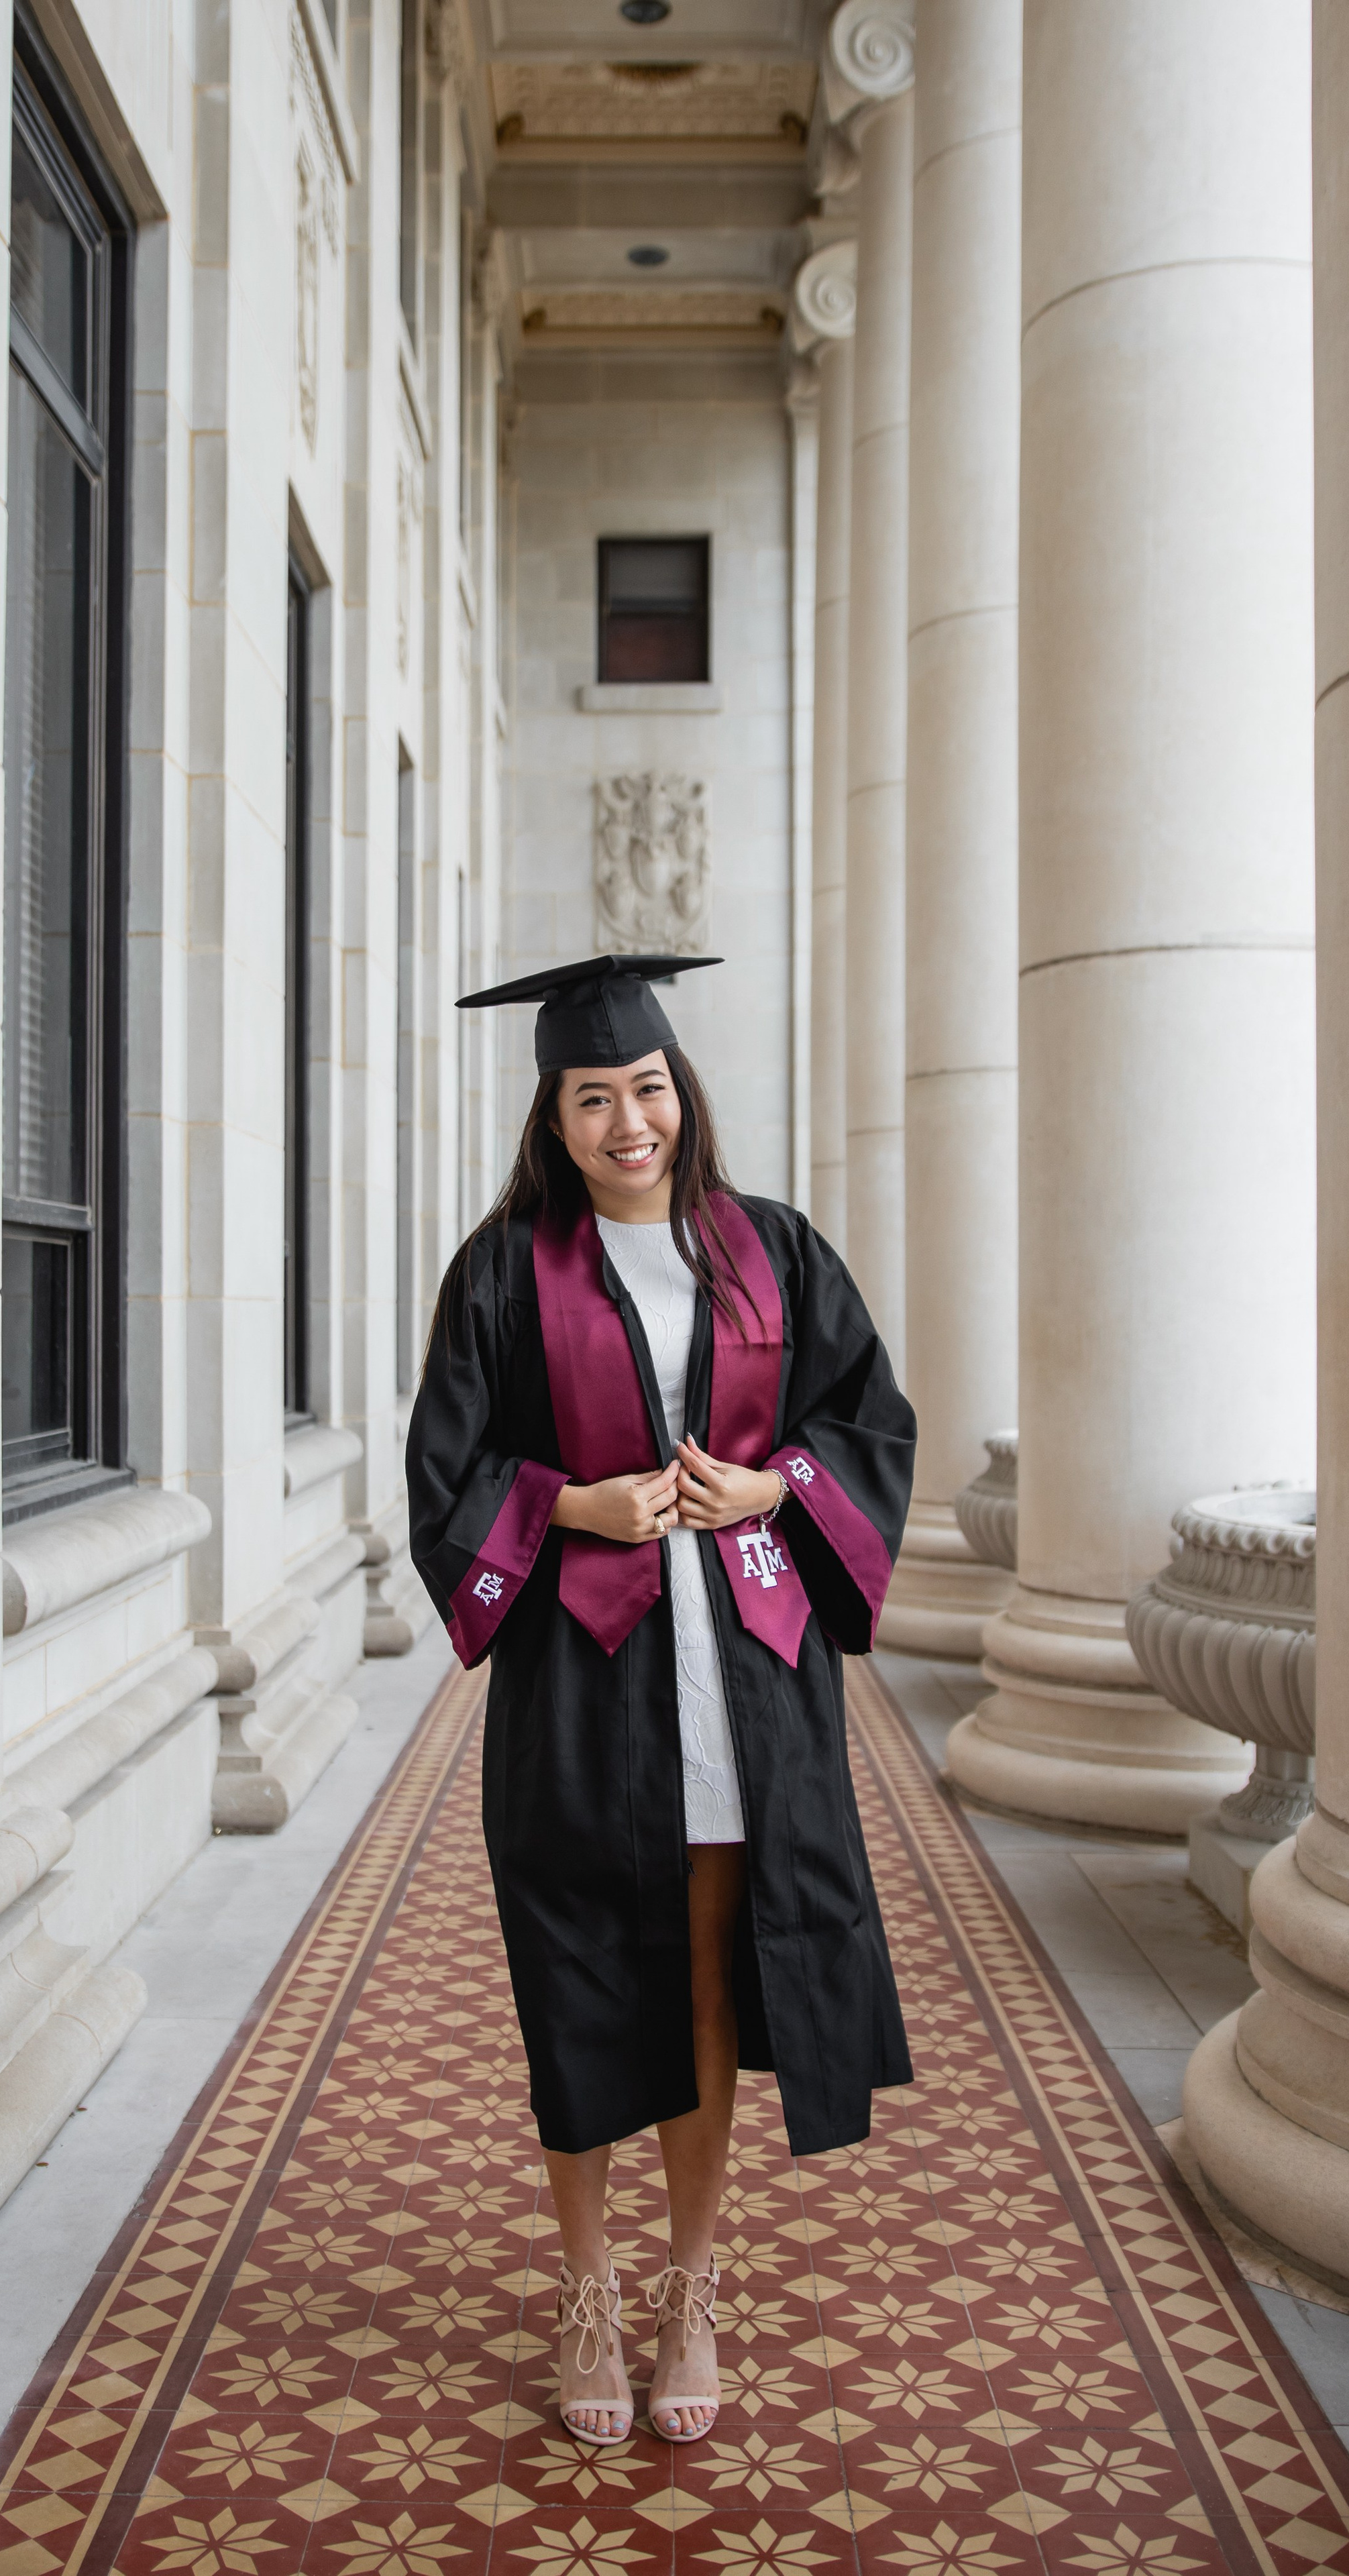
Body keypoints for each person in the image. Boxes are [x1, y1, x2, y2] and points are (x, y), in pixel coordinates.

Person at [406, 954, 917, 2451]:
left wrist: (772, 1482)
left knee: (708, 1974)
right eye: (591, 1097)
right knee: (573, 1973)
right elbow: (447, 1478)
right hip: (584, 1679)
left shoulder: (774, 1250)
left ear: (679, 1090)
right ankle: (586, 2285)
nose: (628, 1120)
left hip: (746, 1680)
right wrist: (576, 1507)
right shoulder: (503, 1270)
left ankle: (686, 2286)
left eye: (645, 1087)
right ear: (552, 1119)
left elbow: (865, 1422)